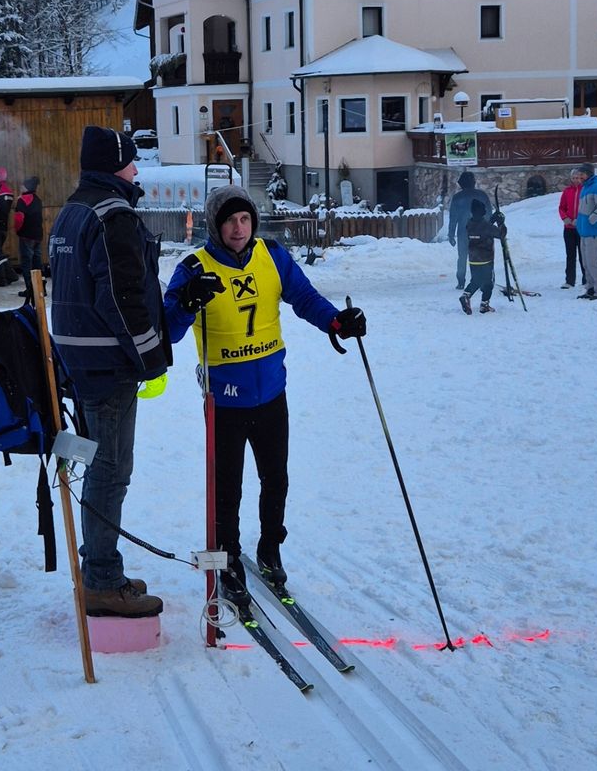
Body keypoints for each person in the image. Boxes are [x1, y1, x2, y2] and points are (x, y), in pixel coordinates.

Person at [164, 185, 366, 598]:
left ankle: (271, 547)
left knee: (276, 478)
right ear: (215, 225)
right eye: (229, 221)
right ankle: (230, 557)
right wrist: (186, 303)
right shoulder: (193, 268)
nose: (238, 228)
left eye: (244, 219)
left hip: (272, 392)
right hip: (224, 398)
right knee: (227, 487)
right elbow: (167, 329)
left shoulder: (271, 255)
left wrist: (335, 322)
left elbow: (303, 297)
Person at [49, 127, 170, 618]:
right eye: (131, 162)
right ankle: (101, 580)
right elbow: (122, 297)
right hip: (107, 363)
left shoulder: (72, 209)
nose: (137, 171)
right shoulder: (112, 214)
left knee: (100, 465)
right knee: (111, 471)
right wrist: (151, 357)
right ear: (113, 165)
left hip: (79, 359)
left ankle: (101, 568)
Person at [459, 196, 506, 314]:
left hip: (473, 259)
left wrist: (491, 220)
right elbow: (501, 234)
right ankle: (482, 304)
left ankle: (468, 296)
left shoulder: (469, 224)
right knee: (488, 283)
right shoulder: (486, 226)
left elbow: (481, 228)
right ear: (482, 212)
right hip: (486, 259)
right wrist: (501, 223)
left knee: (476, 279)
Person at [447, 170, 485, 290]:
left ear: (461, 184)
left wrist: (451, 234)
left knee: (462, 257)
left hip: (463, 232)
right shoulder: (482, 195)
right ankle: (480, 280)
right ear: (474, 182)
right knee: (479, 257)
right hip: (480, 231)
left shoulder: (457, 198)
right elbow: (488, 213)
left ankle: (461, 281)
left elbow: (453, 217)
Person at [576, 165, 597, 300]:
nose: (579, 177)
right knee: (586, 263)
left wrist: (592, 219)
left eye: (581, 174)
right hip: (584, 231)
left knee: (593, 262)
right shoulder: (585, 187)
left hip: (595, 231)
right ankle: (590, 288)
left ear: (588, 174)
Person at [557, 166, 587, 290]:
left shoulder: (584, 190)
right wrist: (564, 218)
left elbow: (587, 208)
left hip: (581, 228)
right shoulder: (567, 191)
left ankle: (586, 279)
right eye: (573, 178)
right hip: (568, 228)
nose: (576, 180)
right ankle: (569, 281)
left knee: (583, 255)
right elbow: (561, 207)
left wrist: (579, 219)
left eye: (578, 178)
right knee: (570, 255)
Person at [14, 175, 43, 300]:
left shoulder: (22, 200)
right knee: (37, 263)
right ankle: (41, 289)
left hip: (26, 235)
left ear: (27, 187)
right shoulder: (38, 199)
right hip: (38, 235)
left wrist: (18, 230)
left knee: (27, 264)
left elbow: (19, 218)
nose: (20, 187)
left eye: (22, 185)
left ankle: (30, 289)